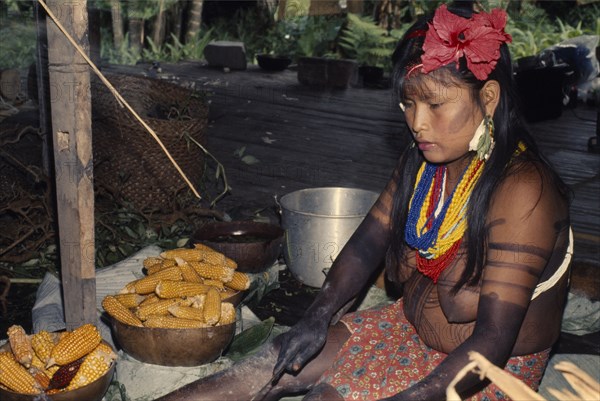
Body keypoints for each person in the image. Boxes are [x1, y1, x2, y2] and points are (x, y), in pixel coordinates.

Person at [156, 2, 572, 400]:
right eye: (408, 103)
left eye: (435, 104)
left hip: (484, 373)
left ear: (489, 97)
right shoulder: (425, 160)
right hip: (405, 328)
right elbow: (369, 241)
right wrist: (318, 316)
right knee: (268, 364)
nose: (417, 122)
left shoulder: (524, 189)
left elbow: (493, 341)